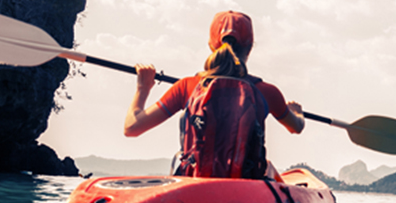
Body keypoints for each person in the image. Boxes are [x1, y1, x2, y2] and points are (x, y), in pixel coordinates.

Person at [123, 10, 304, 179]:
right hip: (246, 186)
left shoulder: (187, 86)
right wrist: (296, 112)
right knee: (269, 168)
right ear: (249, 47)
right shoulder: (267, 92)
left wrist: (143, 88)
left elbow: (132, 128)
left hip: (195, 183)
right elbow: (296, 127)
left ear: (211, 45)